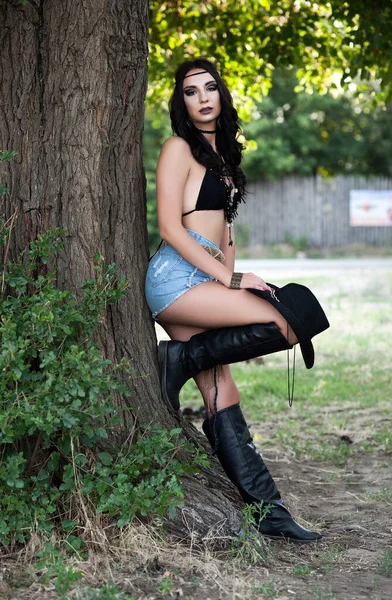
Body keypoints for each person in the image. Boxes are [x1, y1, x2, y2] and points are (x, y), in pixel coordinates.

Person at [145, 58, 329, 543]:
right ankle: (181, 355)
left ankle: (269, 513)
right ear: (181, 103)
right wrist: (233, 279)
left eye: (210, 88)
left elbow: (225, 235)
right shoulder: (177, 148)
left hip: (210, 276)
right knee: (285, 323)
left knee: (223, 394)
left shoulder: (224, 160)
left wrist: (234, 271)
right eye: (190, 91)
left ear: (222, 95)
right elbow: (169, 228)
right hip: (176, 278)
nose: (203, 98)